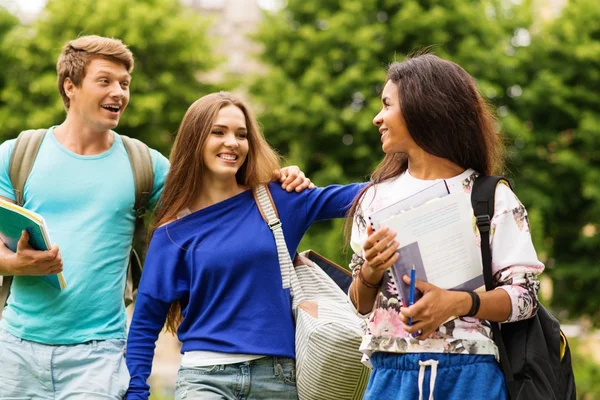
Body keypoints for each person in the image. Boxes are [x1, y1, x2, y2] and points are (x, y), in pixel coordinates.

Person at [0, 35, 311, 399]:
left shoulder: (146, 166)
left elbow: (222, 207)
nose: (119, 93)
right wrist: (18, 264)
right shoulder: (17, 154)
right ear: (70, 86)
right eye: (105, 81)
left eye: (125, 84)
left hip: (99, 355)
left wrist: (273, 181)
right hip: (15, 348)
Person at [124, 91, 364, 400]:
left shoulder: (278, 201)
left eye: (241, 134)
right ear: (195, 140)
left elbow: (360, 198)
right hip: (203, 380)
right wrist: (135, 393)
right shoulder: (173, 234)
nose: (232, 143)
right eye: (218, 132)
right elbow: (144, 326)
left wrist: (421, 163)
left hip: (277, 380)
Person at [346, 54, 544, 400]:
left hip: (470, 375)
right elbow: (360, 304)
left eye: (387, 105)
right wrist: (371, 271)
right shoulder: (373, 200)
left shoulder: (491, 198)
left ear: (423, 108)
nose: (377, 118)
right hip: (391, 374)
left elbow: (525, 298)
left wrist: (458, 303)